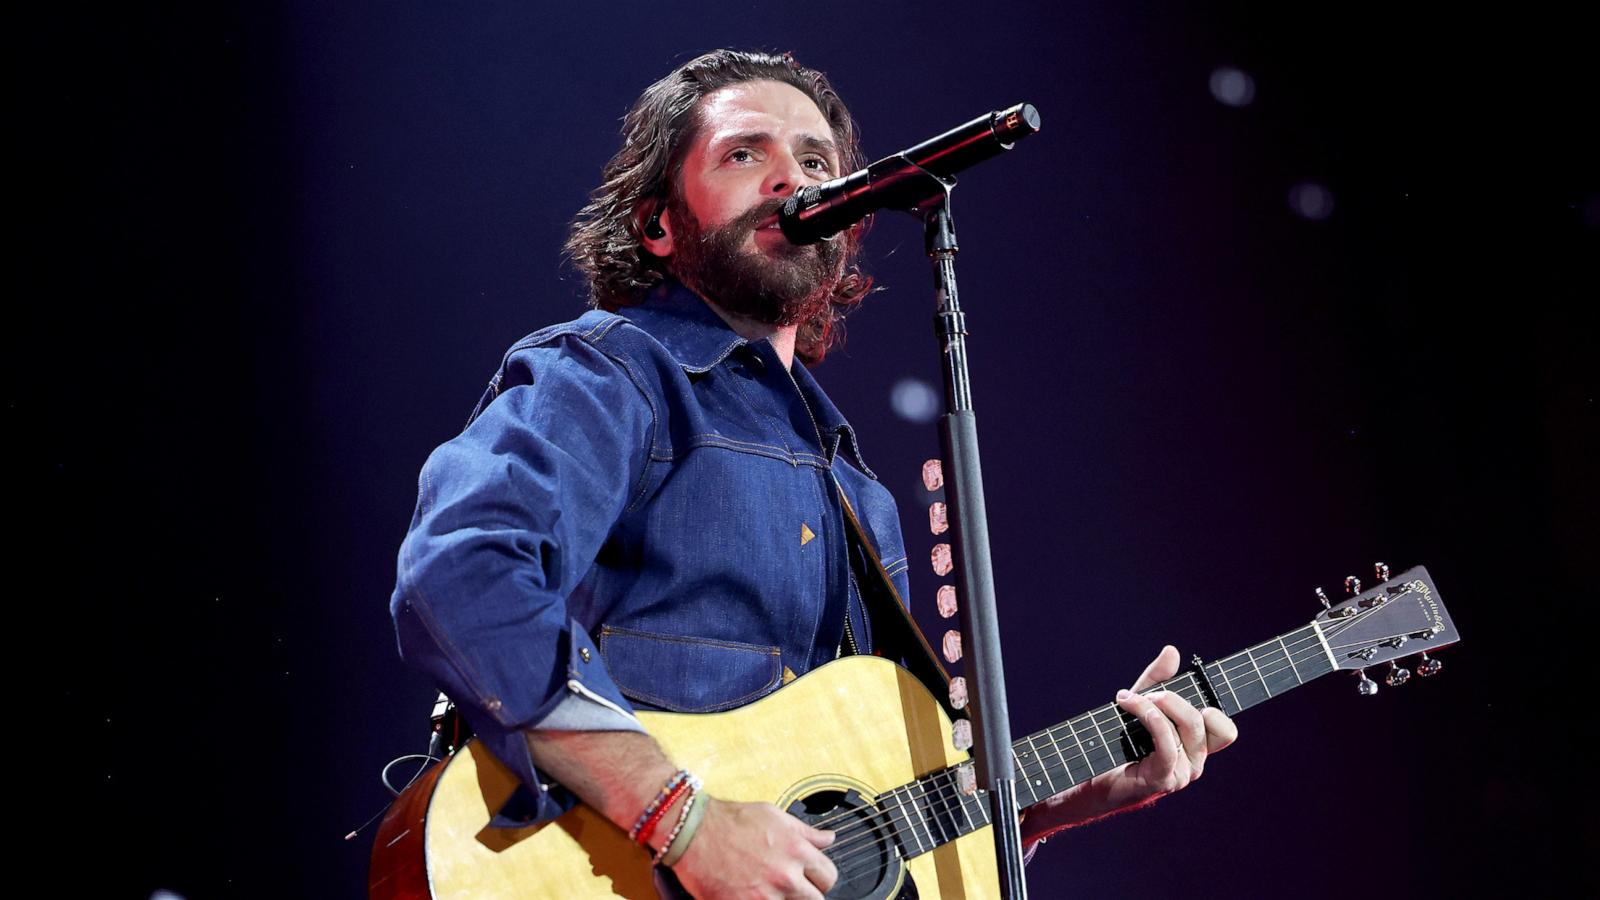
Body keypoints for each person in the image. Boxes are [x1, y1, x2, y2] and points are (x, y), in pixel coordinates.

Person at [390, 49, 1237, 899]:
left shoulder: (856, 486)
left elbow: (857, 815)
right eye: (744, 154)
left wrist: (1049, 807)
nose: (790, 180)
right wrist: (683, 822)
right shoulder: (607, 375)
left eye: (816, 160)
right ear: (656, 224)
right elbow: (463, 575)